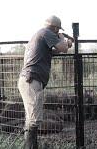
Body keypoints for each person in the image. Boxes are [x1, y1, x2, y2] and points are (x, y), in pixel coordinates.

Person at [18, 15, 73, 148]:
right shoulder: (47, 33)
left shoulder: (41, 34)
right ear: (55, 28)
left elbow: (55, 51)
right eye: (57, 30)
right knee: (34, 120)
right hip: (32, 80)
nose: (57, 32)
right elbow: (63, 48)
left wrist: (65, 44)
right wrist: (63, 40)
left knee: (31, 119)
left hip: (30, 80)